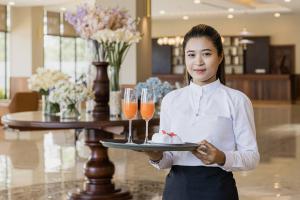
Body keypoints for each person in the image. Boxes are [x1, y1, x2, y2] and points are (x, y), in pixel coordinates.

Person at [145, 24, 260, 200]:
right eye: (191, 55)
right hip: (177, 191)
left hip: (218, 191)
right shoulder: (171, 100)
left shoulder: (237, 100)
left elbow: (252, 157)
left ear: (220, 56)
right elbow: (167, 158)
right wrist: (155, 156)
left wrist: (222, 157)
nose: (198, 62)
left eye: (206, 54)